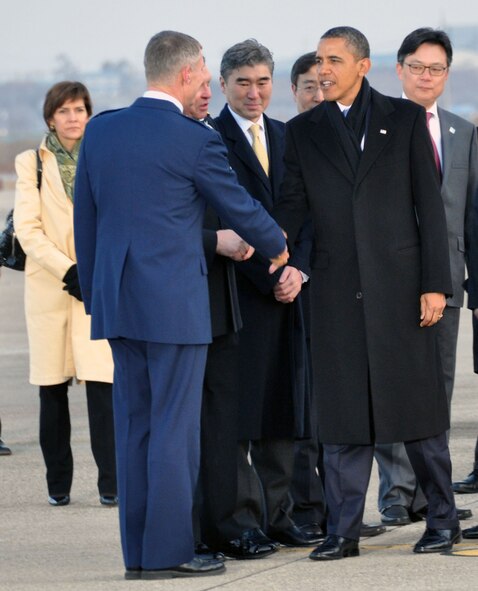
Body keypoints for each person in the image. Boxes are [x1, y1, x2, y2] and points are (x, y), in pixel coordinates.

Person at [73, 31, 288, 580]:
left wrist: (101, 299)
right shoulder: (193, 138)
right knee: (174, 430)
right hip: (174, 307)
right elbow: (236, 204)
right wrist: (276, 244)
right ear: (190, 72)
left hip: (120, 304)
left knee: (135, 428)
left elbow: (88, 222)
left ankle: (139, 555)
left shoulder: (101, 130)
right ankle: (169, 553)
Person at [273, 26, 459, 559]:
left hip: (403, 294)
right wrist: (268, 243)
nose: (323, 69)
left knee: (419, 415)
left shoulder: (402, 121)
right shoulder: (304, 131)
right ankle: (343, 531)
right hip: (334, 295)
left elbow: (429, 206)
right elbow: (292, 206)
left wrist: (434, 287)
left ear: (363, 66)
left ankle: (443, 522)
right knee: (343, 418)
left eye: (334, 59)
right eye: (318, 59)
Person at [211, 39, 321, 558]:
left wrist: (296, 268)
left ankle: (280, 516)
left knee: (282, 412)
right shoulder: (209, 140)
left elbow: (304, 211)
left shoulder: (286, 136)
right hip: (239, 295)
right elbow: (220, 215)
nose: (254, 92)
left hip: (287, 295)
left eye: (262, 82)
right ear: (223, 85)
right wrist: (269, 270)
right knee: (239, 417)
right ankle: (242, 522)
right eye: (243, 83)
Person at [374, 27, 478, 527]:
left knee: (437, 388)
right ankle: (398, 493)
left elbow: (470, 214)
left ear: (447, 74)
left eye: (436, 69)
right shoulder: (378, 127)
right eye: (417, 67)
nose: (426, 77)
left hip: (449, 281)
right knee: (394, 386)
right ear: (399, 69)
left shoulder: (463, 131)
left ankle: (436, 495)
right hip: (391, 279)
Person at [288, 51, 386, 540]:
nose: (317, 88)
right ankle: (324, 516)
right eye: (307, 84)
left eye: (325, 77)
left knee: (351, 407)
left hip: (351, 288)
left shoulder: (377, 126)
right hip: (300, 285)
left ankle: (346, 516)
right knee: (320, 410)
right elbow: (293, 213)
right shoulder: (299, 135)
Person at [14, 81, 117, 508]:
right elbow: (27, 229)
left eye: (80, 109)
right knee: (52, 389)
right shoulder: (30, 163)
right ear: (50, 117)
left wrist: (94, 269)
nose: (74, 117)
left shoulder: (105, 156)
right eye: (65, 111)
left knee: (103, 387)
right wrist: (68, 269)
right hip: (50, 289)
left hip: (95, 287)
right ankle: (59, 484)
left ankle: (111, 483)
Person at [183, 72, 248, 559]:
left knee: (223, 426)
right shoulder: (163, 143)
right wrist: (216, 241)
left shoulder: (211, 137)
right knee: (184, 430)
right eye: (199, 86)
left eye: (210, 87)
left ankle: (223, 527)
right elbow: (154, 225)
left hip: (224, 306)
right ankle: (190, 533)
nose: (207, 95)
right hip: (179, 309)